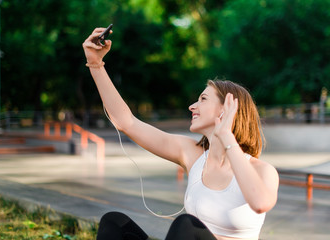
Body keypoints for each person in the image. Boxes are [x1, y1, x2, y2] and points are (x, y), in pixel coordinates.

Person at [82, 27, 279, 240]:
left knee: (187, 225)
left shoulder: (262, 171)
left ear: (226, 109)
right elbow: (126, 122)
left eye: (203, 99)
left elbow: (260, 204)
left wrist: (227, 137)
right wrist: (95, 64)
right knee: (115, 223)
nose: (192, 106)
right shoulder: (192, 154)